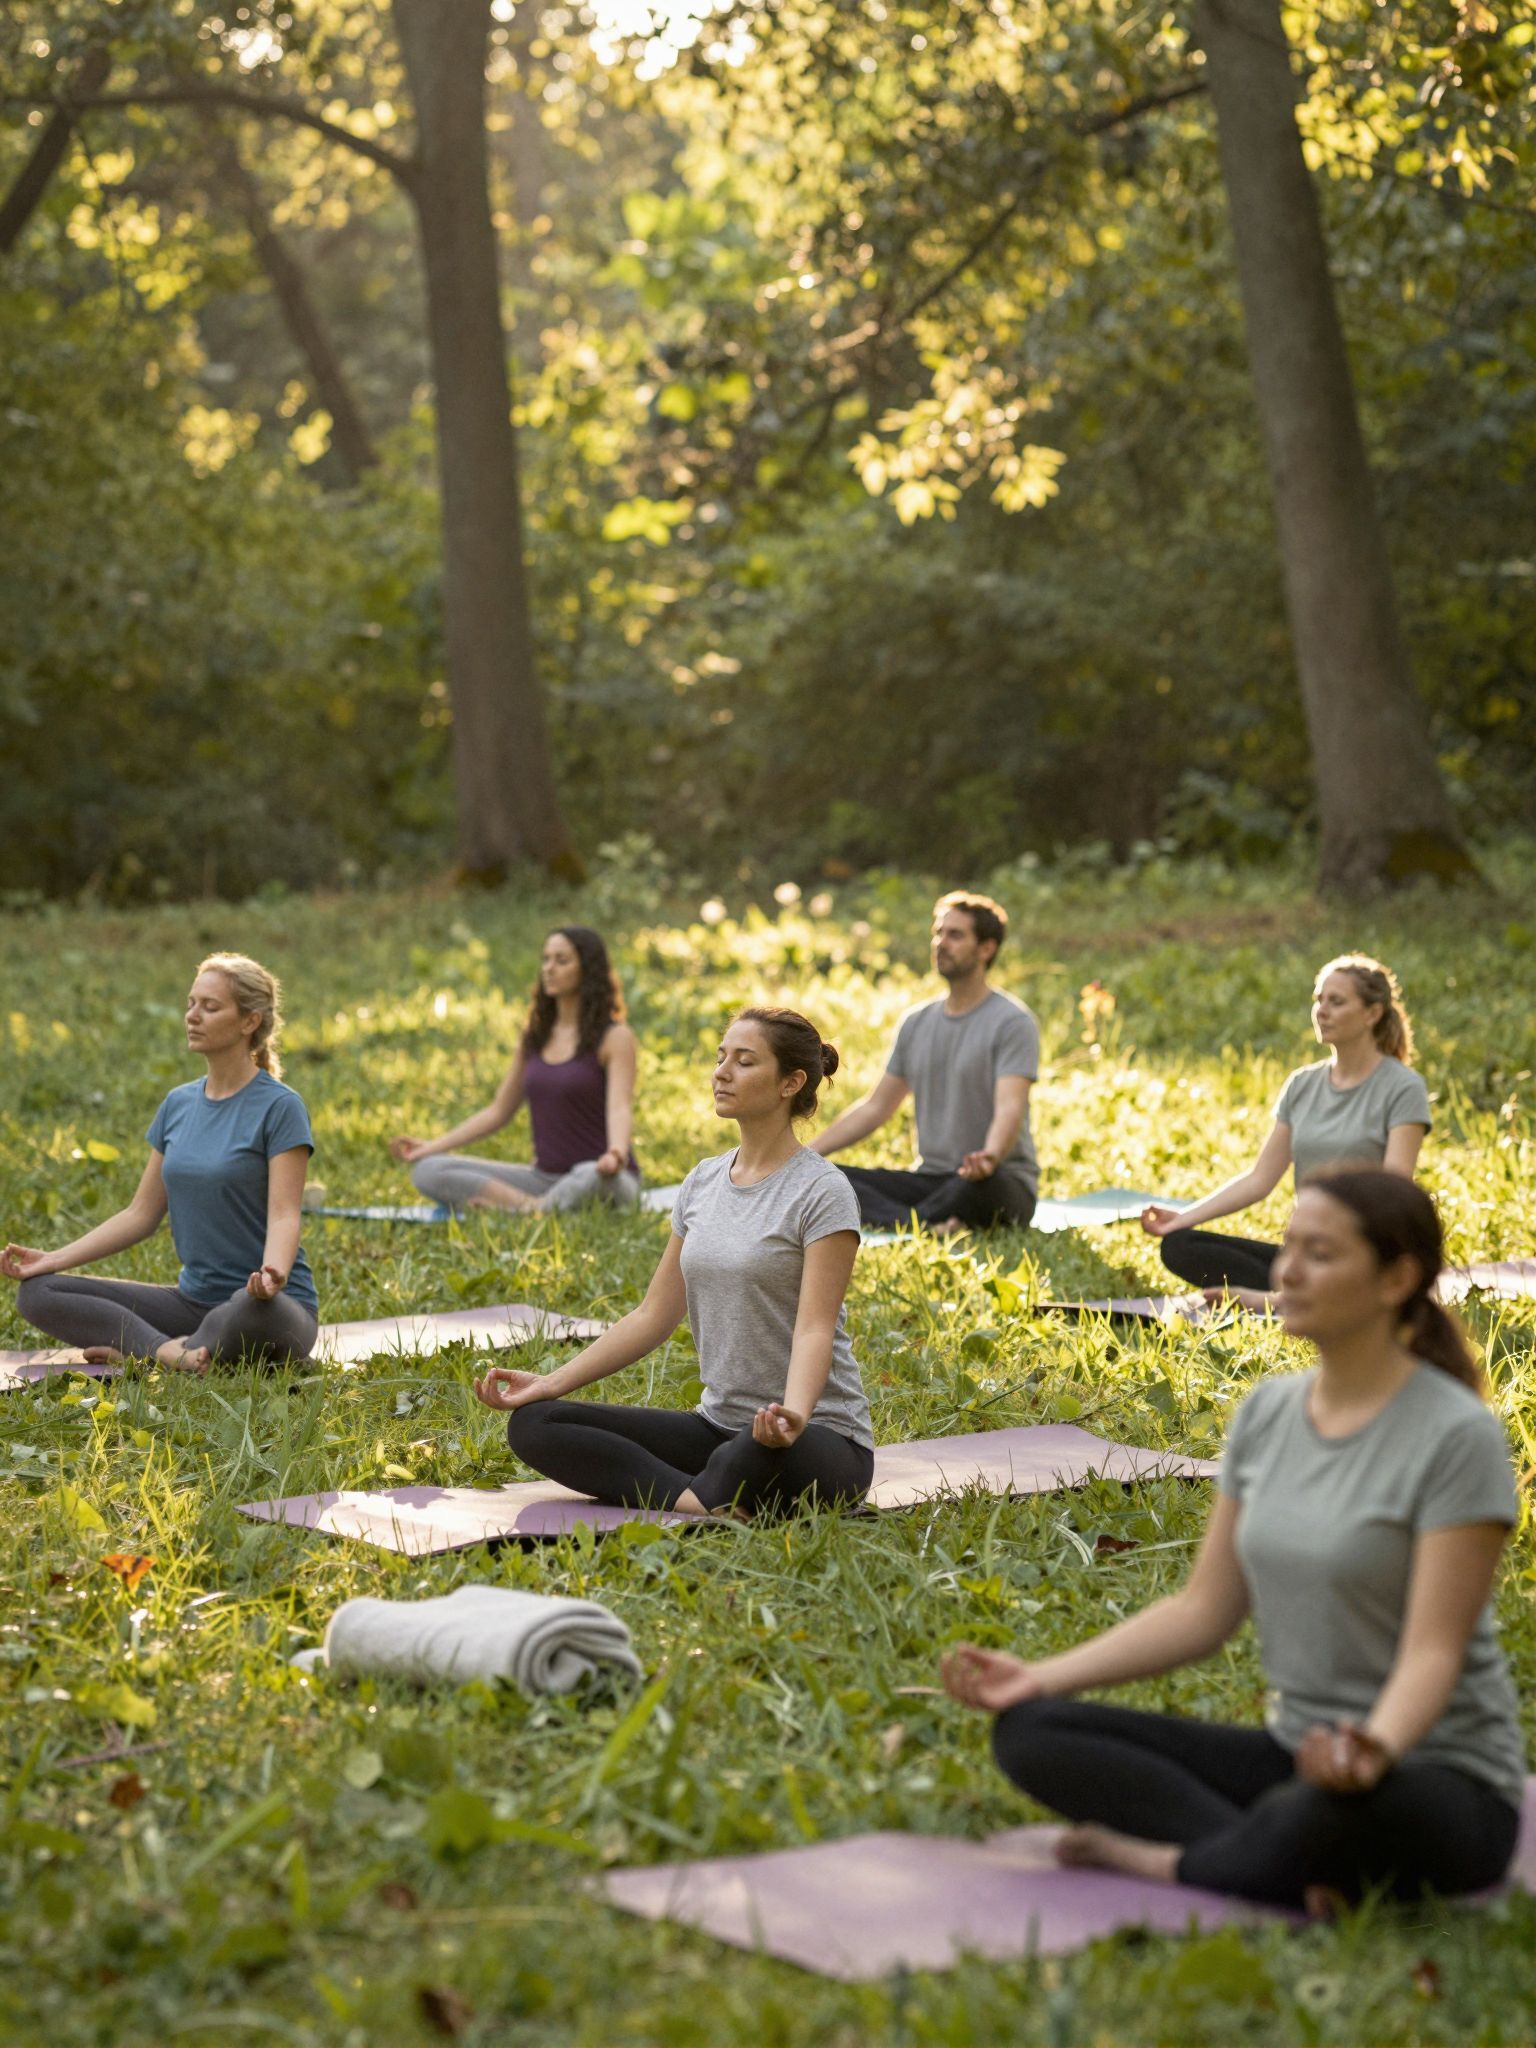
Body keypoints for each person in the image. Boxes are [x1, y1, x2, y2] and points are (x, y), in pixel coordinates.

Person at [943, 1169, 1524, 1915]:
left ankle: (1164, 1861)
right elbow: (1202, 1612)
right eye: (1288, 1248)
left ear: (1396, 1278)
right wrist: (1041, 1677)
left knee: (1319, 1815)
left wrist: (1370, 1749)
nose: (1286, 1272)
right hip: (1299, 1757)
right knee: (1031, 1733)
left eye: (1320, 1253)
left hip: (1434, 1775)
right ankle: (1273, 1859)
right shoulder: (1268, 1414)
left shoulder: (1455, 1435)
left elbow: (1434, 1652)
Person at [472, 1007, 874, 1517]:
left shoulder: (822, 1191)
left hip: (816, 1436)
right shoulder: (703, 1182)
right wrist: (550, 1382)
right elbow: (654, 1314)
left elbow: (815, 1327)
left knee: (747, 1455)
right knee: (536, 1423)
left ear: (790, 1082)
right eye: (721, 1057)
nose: (722, 1073)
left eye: (745, 1062)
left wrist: (793, 1413)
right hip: (717, 1425)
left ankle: (703, 1489)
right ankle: (697, 1499)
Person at [2, 954, 319, 1372]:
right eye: (191, 1003)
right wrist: (54, 1259)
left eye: (210, 1007)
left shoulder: (280, 1107)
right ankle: (170, 1351)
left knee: (245, 1311)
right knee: (39, 1293)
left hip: (270, 1306)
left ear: (249, 1022)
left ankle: (152, 1351)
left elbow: (284, 1215)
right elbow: (140, 1215)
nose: (193, 1016)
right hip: (191, 1304)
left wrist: (272, 1275)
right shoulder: (178, 1105)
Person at [1141, 953, 1429, 1308]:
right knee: (1180, 1246)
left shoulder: (1402, 1087)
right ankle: (1296, 1296)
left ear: (1372, 1013)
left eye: (1336, 1002)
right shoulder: (1302, 1085)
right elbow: (1259, 1179)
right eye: (1318, 999)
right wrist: (1181, 1219)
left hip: (1364, 1247)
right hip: (1310, 1250)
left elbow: (1396, 1190)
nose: (1322, 1010)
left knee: (1338, 1266)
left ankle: (1278, 1301)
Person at [810, 891, 1039, 1232]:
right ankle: (931, 1222)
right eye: (939, 932)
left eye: (955, 935)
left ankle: (908, 1219)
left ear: (986, 948)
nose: (941, 943)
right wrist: (807, 1157)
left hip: (994, 1181)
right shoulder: (916, 1023)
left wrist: (989, 1157)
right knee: (829, 1180)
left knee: (971, 1188)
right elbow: (876, 1107)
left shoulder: (1012, 1022)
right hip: (930, 1179)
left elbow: (1010, 1108)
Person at [390, 926, 640, 1214]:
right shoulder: (535, 1037)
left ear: (587, 969)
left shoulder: (614, 1038)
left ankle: (528, 1210)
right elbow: (498, 1112)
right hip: (543, 1178)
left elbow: (619, 1106)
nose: (549, 968)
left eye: (562, 960)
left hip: (605, 1176)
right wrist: (431, 1147)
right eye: (546, 959)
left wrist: (616, 1153)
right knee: (429, 1170)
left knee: (588, 1175)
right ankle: (532, 1207)